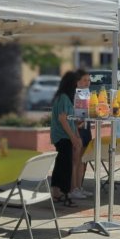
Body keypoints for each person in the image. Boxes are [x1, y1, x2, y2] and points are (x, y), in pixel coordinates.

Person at [49, 70, 83, 206]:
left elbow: (67, 119)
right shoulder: (63, 98)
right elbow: (62, 120)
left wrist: (76, 124)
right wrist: (73, 138)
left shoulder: (63, 97)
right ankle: (65, 194)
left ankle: (56, 192)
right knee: (66, 166)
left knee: (60, 165)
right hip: (62, 136)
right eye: (76, 82)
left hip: (62, 136)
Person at [70, 69, 94, 200]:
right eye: (84, 80)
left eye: (89, 80)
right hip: (77, 129)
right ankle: (72, 188)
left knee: (83, 160)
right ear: (77, 81)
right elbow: (68, 115)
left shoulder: (88, 94)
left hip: (86, 128)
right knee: (75, 160)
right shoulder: (72, 95)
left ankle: (79, 187)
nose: (87, 83)